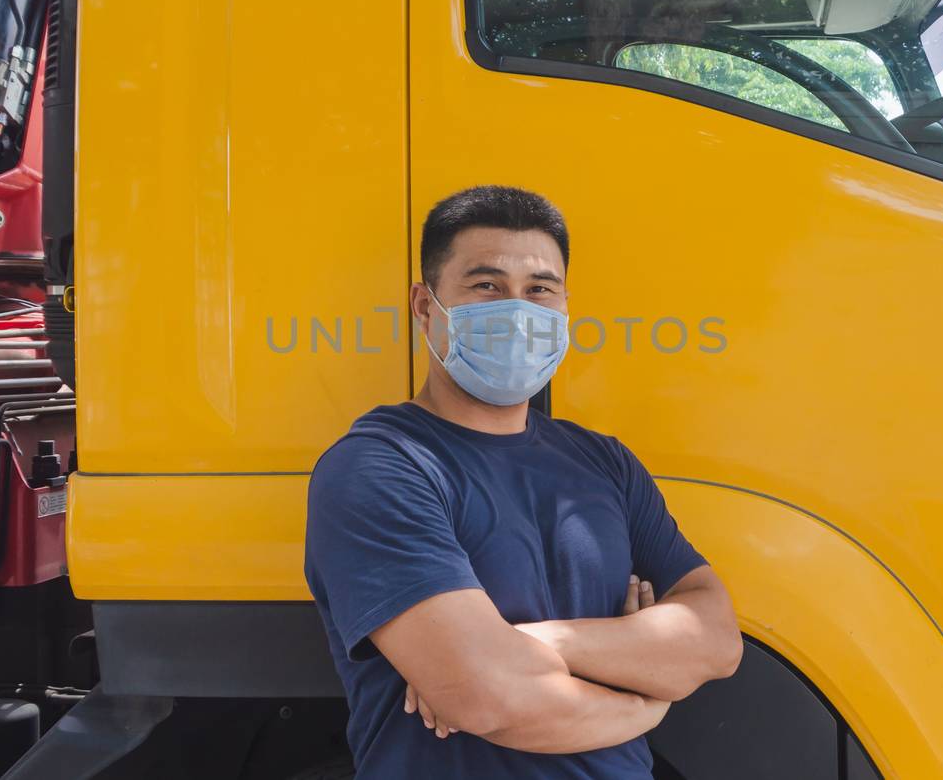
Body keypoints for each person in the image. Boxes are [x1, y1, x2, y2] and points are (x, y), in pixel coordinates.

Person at [304, 185, 742, 779]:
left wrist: (541, 643)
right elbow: (490, 698)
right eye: (486, 286)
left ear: (563, 309)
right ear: (425, 306)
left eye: (540, 289)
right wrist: (649, 697)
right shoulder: (379, 467)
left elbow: (715, 639)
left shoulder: (604, 462)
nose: (518, 309)